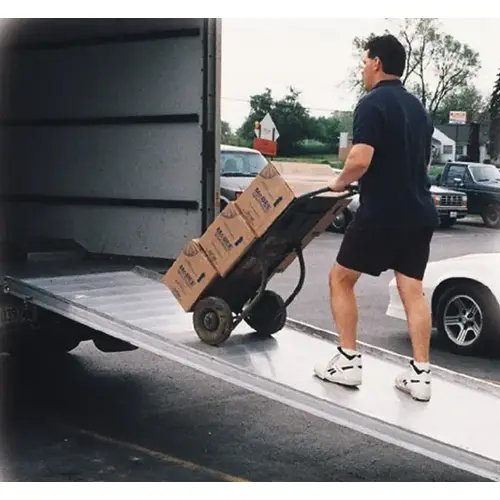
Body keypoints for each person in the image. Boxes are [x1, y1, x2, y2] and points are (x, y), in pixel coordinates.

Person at [314, 34, 439, 402]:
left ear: (377, 64)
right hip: (419, 213)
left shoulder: (371, 103)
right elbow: (419, 163)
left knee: (340, 278)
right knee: (412, 290)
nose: (362, 68)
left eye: (364, 61)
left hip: (383, 213)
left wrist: (338, 183)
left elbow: (359, 159)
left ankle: (348, 362)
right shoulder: (418, 109)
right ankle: (421, 375)